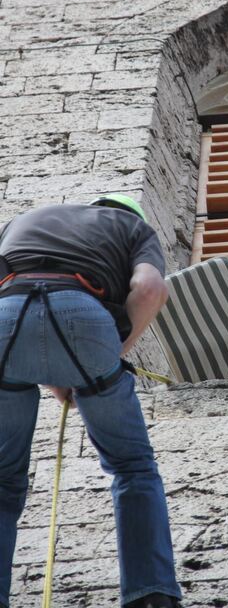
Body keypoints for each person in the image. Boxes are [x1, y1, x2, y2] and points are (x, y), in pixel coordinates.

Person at [0, 194, 182, 608]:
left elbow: (31, 320)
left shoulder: (26, 219)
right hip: (84, 323)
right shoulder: (134, 229)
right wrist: (108, 358)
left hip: (4, 320)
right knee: (132, 467)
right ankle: (150, 595)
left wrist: (59, 375)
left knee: (2, 481)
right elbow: (150, 289)